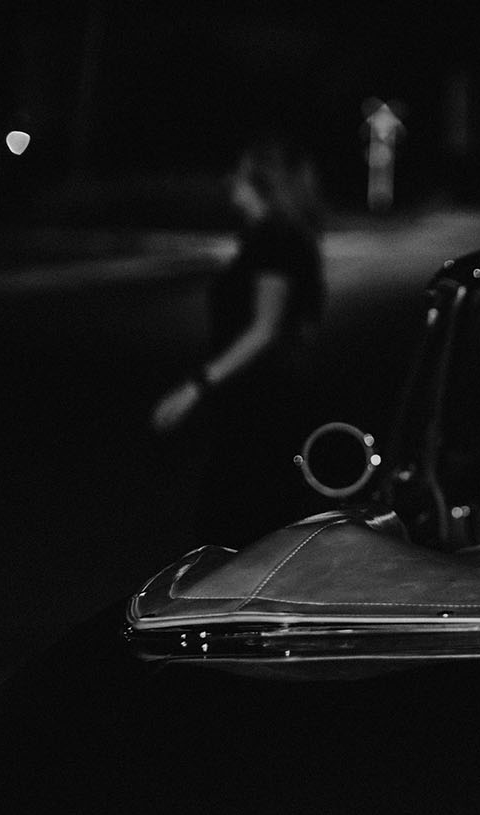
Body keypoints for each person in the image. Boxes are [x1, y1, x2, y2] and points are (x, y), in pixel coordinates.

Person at [150, 137, 325, 547]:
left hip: (261, 399)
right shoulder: (275, 236)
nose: (231, 181)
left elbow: (264, 329)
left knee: (237, 524)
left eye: (241, 173)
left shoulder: (275, 239)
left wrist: (195, 387)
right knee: (254, 518)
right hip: (266, 395)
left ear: (262, 182)